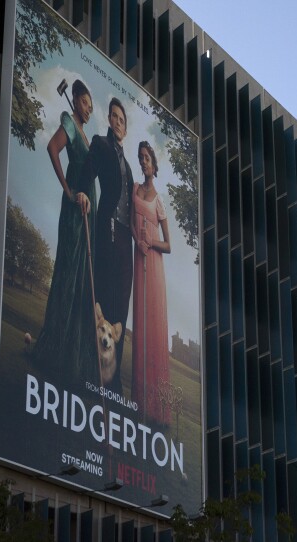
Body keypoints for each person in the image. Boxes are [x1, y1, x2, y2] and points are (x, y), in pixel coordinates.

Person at [34, 79, 98, 384]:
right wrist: (68, 189)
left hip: (88, 211)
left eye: (90, 106)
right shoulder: (70, 124)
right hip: (75, 211)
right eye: (85, 102)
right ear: (75, 98)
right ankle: (55, 352)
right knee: (69, 274)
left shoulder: (82, 132)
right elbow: (52, 148)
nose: (88, 109)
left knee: (82, 278)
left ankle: (73, 357)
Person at [80, 97, 134, 394]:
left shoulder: (129, 166)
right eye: (114, 116)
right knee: (104, 299)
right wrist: (82, 192)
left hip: (127, 240)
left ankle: (113, 380)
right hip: (107, 229)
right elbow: (88, 172)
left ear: (125, 128)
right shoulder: (100, 144)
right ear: (109, 120)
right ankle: (93, 370)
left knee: (121, 307)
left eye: (121, 119)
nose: (117, 121)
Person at [131, 141, 172, 425]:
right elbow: (132, 223)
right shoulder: (134, 189)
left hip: (154, 265)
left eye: (147, 158)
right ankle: (138, 402)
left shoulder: (158, 200)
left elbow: (169, 245)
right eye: (141, 158)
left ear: (154, 166)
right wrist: (138, 240)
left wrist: (150, 242)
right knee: (140, 323)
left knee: (154, 327)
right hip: (139, 259)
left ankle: (156, 408)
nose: (144, 161)